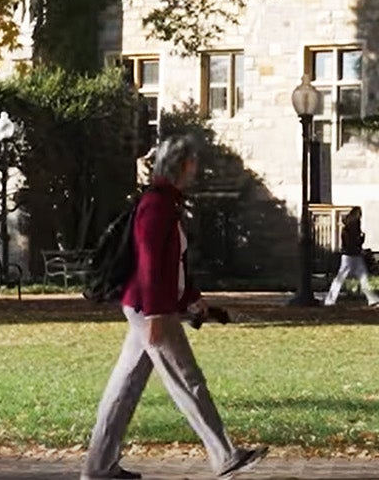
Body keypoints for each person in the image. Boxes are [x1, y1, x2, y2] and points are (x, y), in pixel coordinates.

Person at [83, 134, 266, 480]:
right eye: (193, 163)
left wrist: (191, 300)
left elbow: (174, 265)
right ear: (181, 165)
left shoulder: (168, 203)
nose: (196, 169)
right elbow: (150, 263)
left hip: (149, 307)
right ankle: (225, 455)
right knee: (188, 380)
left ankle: (98, 467)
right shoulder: (157, 205)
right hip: (150, 309)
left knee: (124, 388)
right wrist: (156, 314)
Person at [323, 206, 379, 307]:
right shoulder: (351, 229)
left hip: (351, 255)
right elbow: (352, 243)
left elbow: (350, 243)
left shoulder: (348, 228)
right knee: (349, 277)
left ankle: (372, 299)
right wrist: (360, 242)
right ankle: (330, 299)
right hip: (350, 256)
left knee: (360, 277)